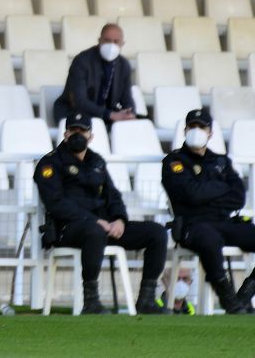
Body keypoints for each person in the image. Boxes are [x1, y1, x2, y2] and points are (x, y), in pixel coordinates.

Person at [34, 112, 168, 314]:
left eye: (83, 130)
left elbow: (113, 196)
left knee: (156, 233)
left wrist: (119, 220)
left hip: (102, 226)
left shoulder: (96, 161)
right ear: (65, 133)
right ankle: (91, 301)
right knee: (93, 231)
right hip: (69, 229)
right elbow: (55, 203)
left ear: (91, 136)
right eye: (73, 130)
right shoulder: (50, 163)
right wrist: (96, 221)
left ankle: (146, 299)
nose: (77, 134)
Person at [162, 108, 255, 314]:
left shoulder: (221, 161)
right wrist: (221, 189)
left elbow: (238, 196)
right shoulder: (174, 161)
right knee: (209, 239)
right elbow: (190, 195)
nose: (197, 130)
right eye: (192, 126)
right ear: (185, 130)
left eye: (201, 127)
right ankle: (228, 298)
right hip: (192, 224)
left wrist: (204, 194)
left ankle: (245, 295)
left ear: (210, 132)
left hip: (222, 221)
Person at [52, 23, 135, 126]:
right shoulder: (82, 61)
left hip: (105, 117)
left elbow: (127, 99)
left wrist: (129, 113)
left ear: (122, 44)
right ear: (99, 41)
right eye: (107, 40)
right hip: (74, 114)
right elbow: (79, 101)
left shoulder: (124, 65)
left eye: (116, 42)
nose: (111, 45)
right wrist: (110, 114)